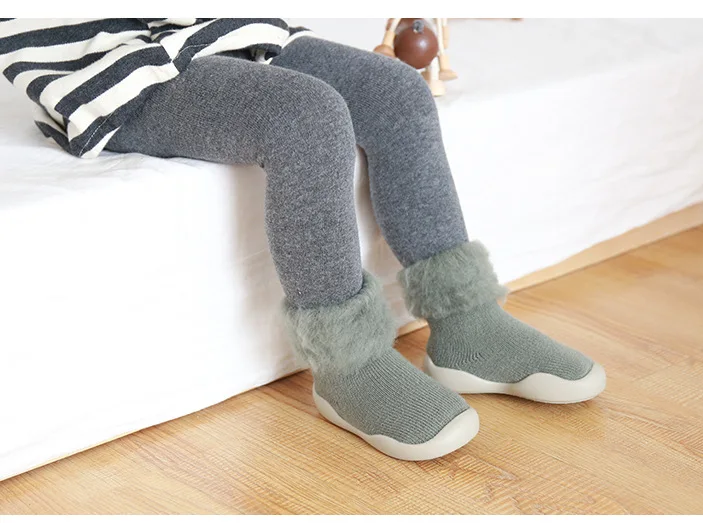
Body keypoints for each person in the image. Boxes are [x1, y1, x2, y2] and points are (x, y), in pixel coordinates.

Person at [0, 18, 606, 461]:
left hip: (213, 27)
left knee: (397, 92)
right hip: (103, 58)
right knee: (304, 117)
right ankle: (349, 364)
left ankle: (467, 321)